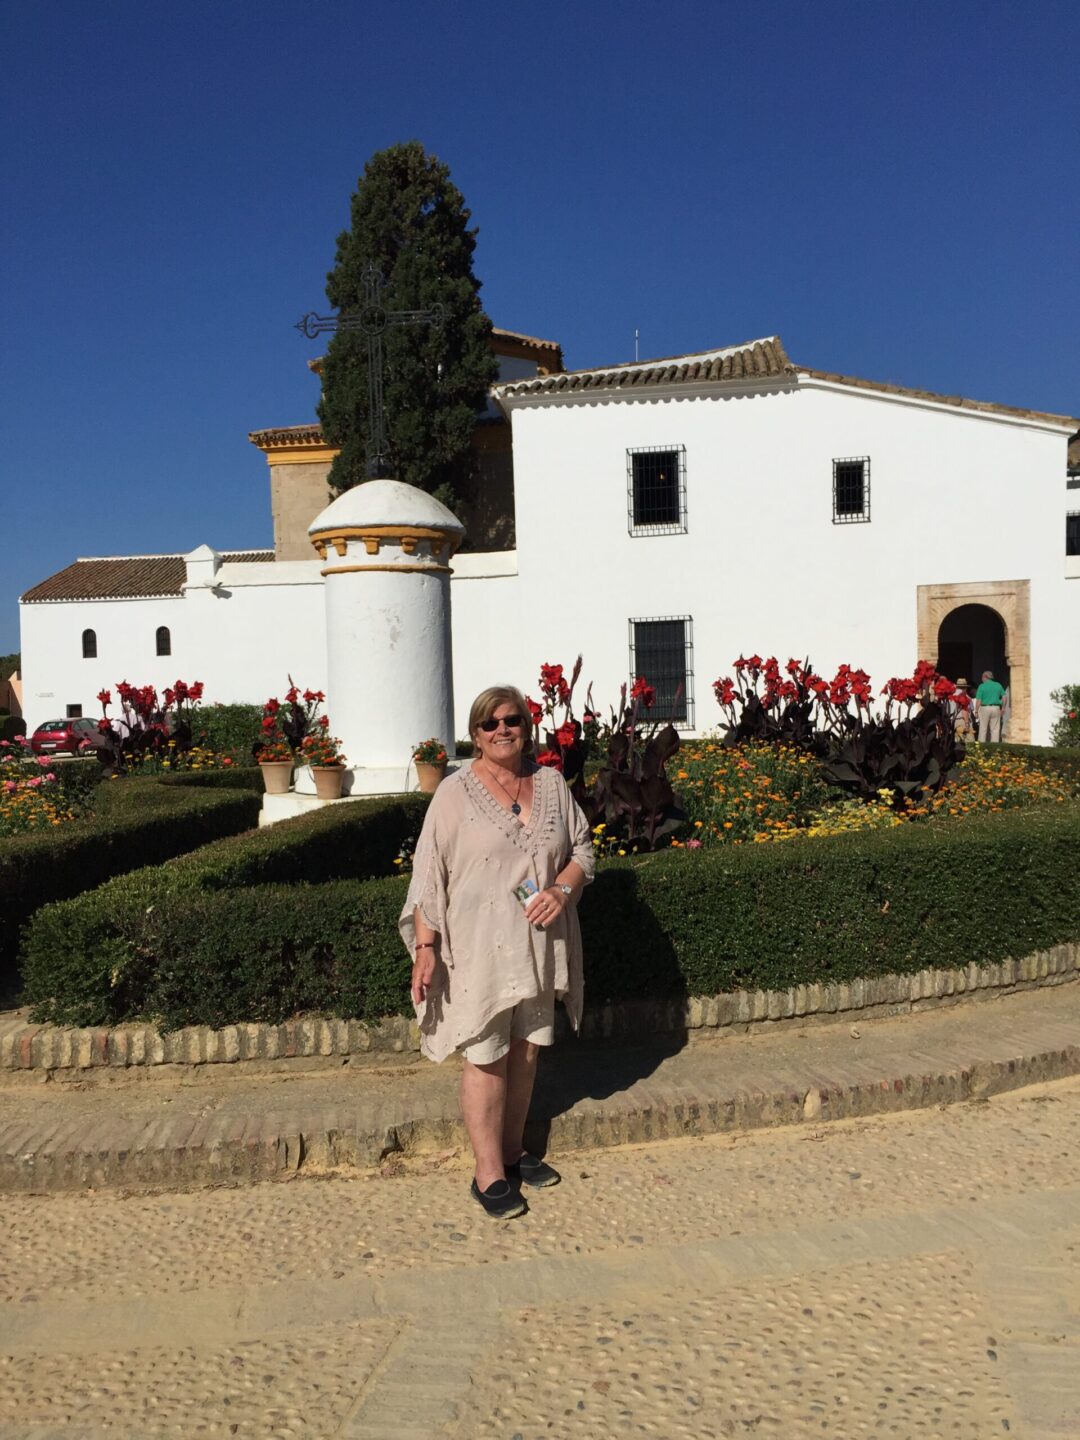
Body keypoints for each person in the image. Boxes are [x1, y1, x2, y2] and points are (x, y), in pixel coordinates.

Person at [400, 685, 594, 1220]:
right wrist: (425, 947)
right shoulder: (453, 793)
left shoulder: (550, 784)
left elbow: (582, 849)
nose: (502, 729)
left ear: (526, 728)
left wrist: (562, 890)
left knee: (527, 1050)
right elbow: (429, 876)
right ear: (475, 734)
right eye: (490, 723)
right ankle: (487, 1173)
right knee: (486, 1055)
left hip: (540, 945)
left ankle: (512, 1152)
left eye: (512, 720)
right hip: (479, 949)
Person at [974, 669, 1007, 743]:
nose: (981, 679)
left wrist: (976, 711)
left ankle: (981, 747)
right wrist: (1003, 708)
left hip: (985, 708)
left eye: (982, 677)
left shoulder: (982, 686)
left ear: (985, 677)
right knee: (995, 729)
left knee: (983, 728)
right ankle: (994, 747)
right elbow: (1004, 697)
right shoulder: (998, 685)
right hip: (996, 708)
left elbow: (979, 700)